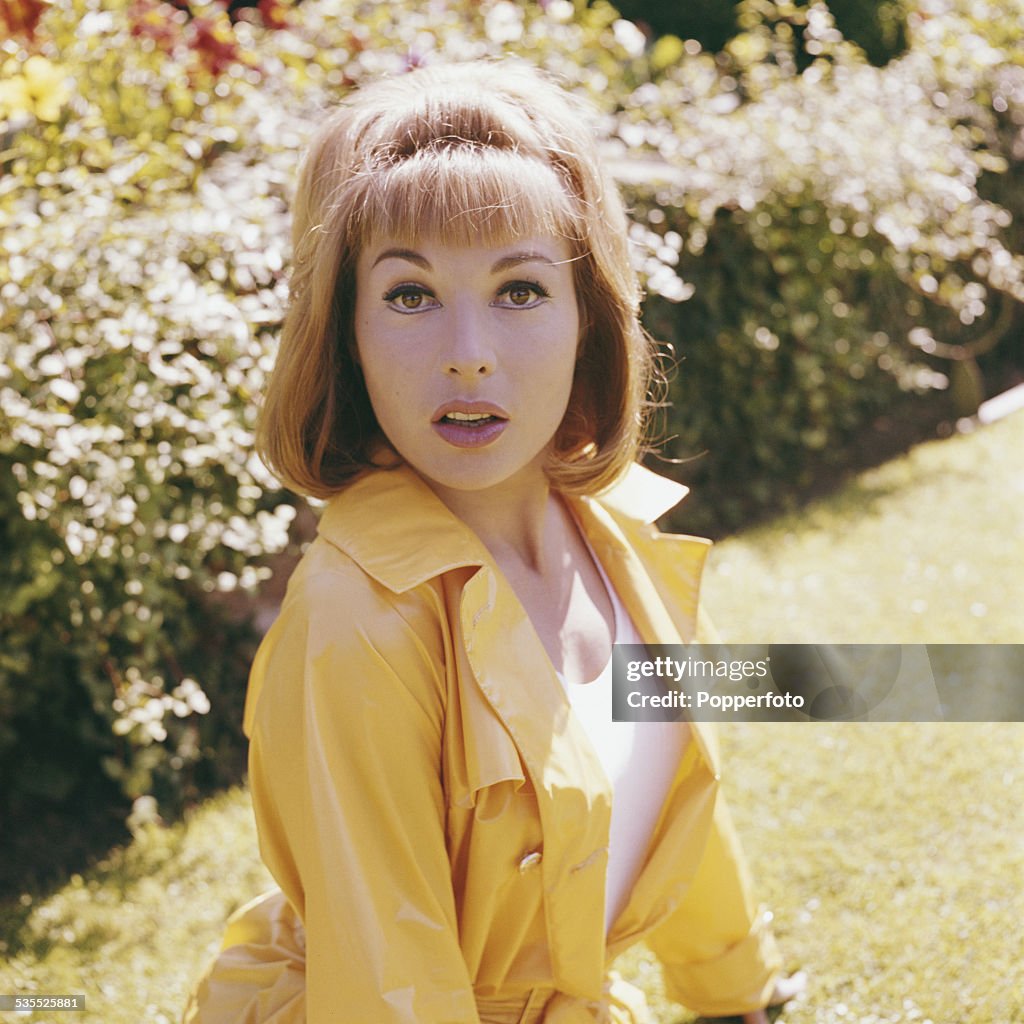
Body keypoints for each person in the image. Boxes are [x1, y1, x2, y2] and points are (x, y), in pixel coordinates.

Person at [183, 59, 804, 1024]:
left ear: (587, 316)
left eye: (519, 289)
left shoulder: (622, 536)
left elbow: (679, 789)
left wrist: (736, 998)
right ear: (342, 330)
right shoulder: (356, 624)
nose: (467, 350)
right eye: (409, 295)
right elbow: (394, 983)